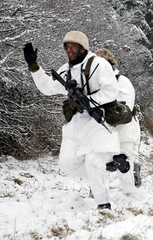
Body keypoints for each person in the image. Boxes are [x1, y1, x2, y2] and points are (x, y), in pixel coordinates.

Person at [23, 31, 125, 210]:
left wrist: (88, 100)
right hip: (77, 122)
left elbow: (111, 91)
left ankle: (103, 204)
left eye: (73, 47)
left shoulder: (99, 64)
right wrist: (33, 66)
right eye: (67, 47)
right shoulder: (66, 70)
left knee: (93, 160)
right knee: (67, 163)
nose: (69, 50)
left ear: (83, 48)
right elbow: (46, 87)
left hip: (97, 119)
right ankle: (103, 169)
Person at [95, 48, 142, 188]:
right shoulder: (94, 83)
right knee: (96, 162)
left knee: (122, 161)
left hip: (124, 129)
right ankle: (98, 194)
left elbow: (124, 111)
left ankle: (131, 194)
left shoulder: (123, 82)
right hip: (102, 129)